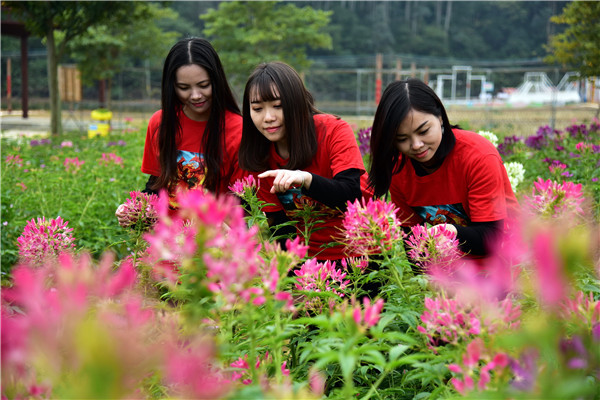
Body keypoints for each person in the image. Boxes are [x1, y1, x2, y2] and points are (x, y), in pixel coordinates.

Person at [368, 78, 519, 259]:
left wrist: (452, 231)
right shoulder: (399, 169)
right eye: (402, 139)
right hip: (452, 272)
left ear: (440, 117)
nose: (416, 145)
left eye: (423, 131)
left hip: (507, 262)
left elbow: (492, 238)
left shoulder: (478, 156)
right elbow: (413, 242)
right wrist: (424, 285)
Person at [238, 61, 371, 262]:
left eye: (278, 106)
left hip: (363, 256)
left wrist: (306, 179)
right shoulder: (260, 155)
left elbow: (350, 194)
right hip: (312, 263)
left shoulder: (333, 130)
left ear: (296, 103)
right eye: (257, 109)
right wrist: (292, 277)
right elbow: (281, 227)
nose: (268, 117)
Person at [116, 38, 244, 225]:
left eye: (204, 85)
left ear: (217, 81)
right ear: (172, 87)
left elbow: (242, 202)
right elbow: (157, 186)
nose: (195, 95)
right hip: (167, 244)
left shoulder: (237, 129)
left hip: (213, 246)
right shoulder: (160, 123)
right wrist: (136, 208)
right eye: (184, 88)